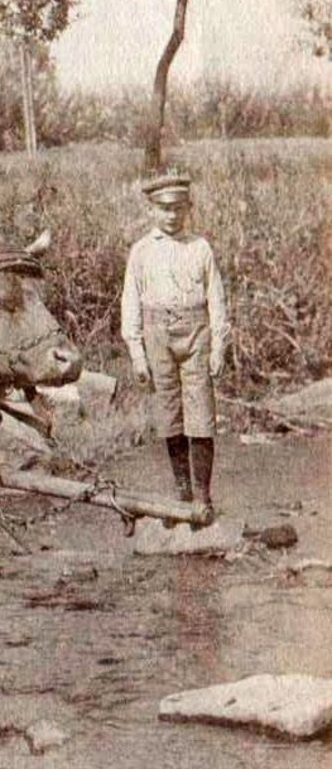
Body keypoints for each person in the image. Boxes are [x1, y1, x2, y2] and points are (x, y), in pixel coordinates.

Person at [120, 172, 230, 521]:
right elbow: (131, 304)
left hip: (197, 332)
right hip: (157, 335)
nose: (172, 216)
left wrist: (218, 348)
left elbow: (217, 298)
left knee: (200, 415)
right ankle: (181, 491)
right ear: (152, 210)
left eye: (178, 208)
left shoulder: (200, 248)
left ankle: (203, 495)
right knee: (170, 414)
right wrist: (137, 354)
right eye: (165, 209)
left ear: (188, 208)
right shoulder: (141, 251)